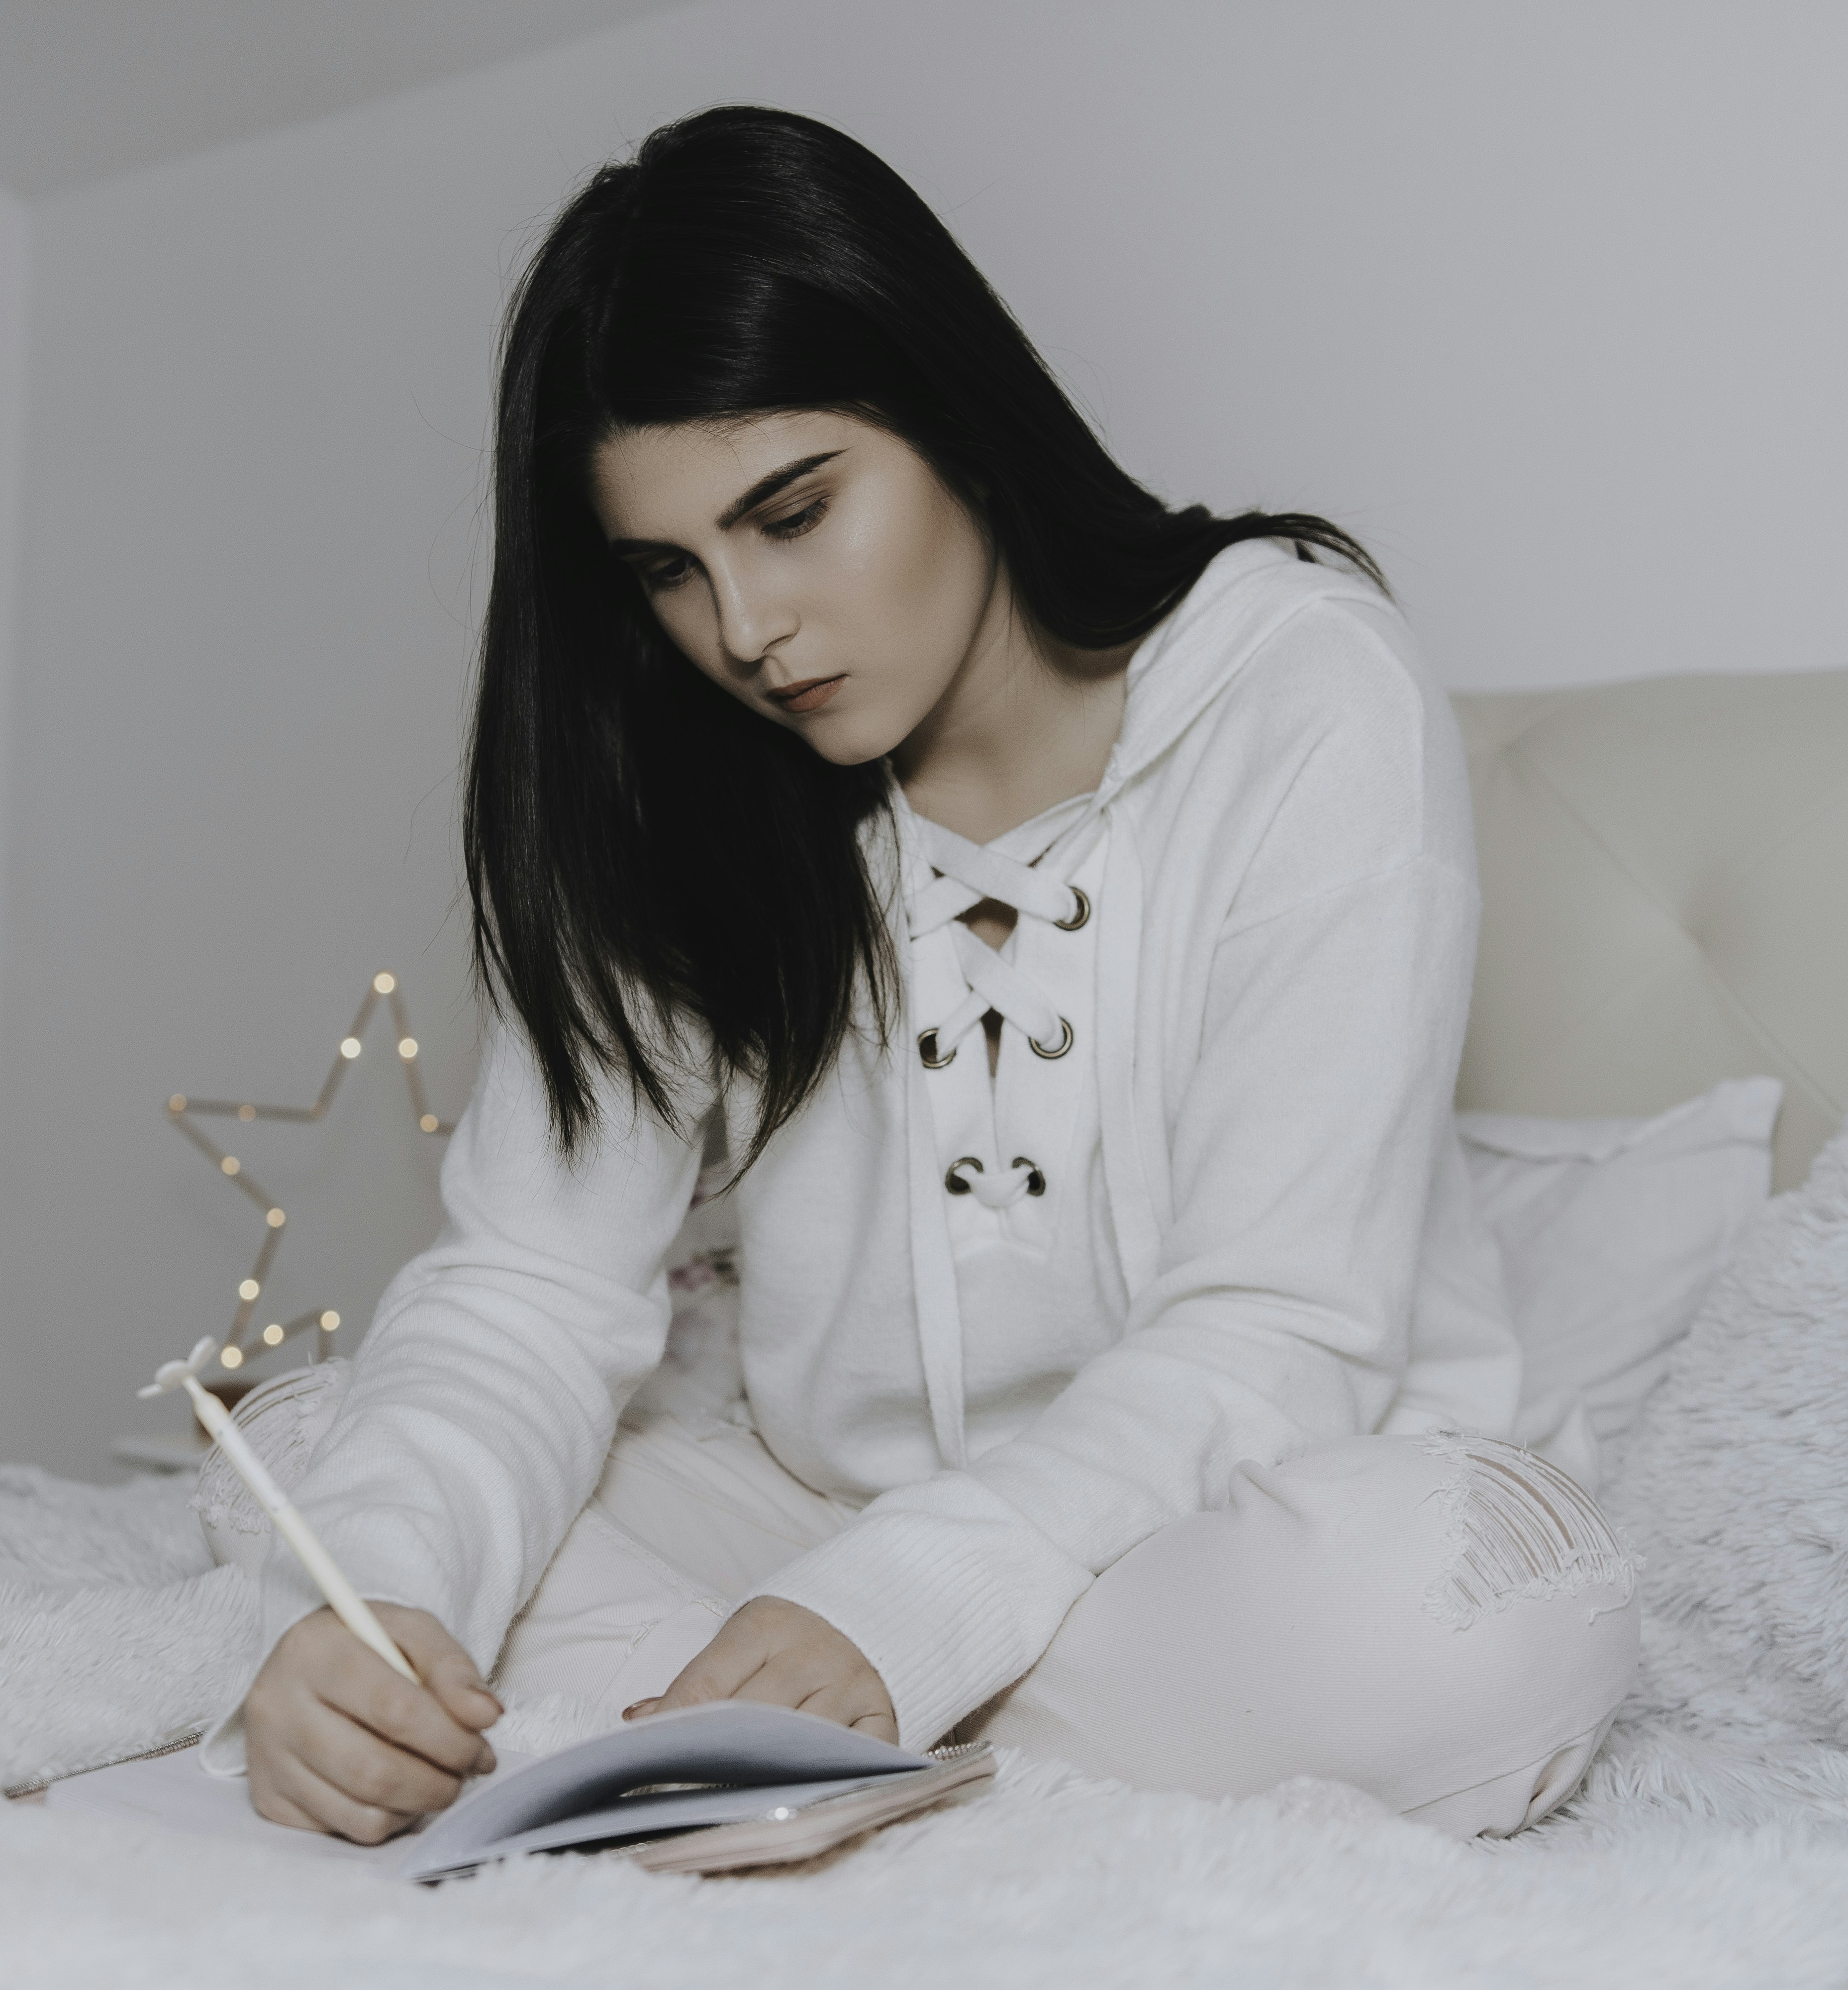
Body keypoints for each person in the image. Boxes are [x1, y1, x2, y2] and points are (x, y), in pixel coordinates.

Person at [195, 104, 1639, 1849]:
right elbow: (530, 1285)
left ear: (950, 402)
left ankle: (774, 1748)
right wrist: (380, 1606)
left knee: (1474, 1614)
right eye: (669, 569)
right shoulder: (684, 780)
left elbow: (1282, 1326)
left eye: (791, 513)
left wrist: (903, 1613)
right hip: (811, 1520)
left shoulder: (1299, 681)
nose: (743, 629)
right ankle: (822, 1744)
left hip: (1241, 1517)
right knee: (319, 1463)